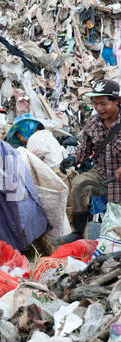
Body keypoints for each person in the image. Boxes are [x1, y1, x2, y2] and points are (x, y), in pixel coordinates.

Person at [59, 79, 121, 243]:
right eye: (95, 104)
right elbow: (84, 150)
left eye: (103, 103)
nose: (99, 108)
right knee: (80, 185)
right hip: (101, 173)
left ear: (117, 101)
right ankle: (78, 232)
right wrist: (72, 159)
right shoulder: (93, 123)